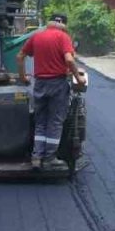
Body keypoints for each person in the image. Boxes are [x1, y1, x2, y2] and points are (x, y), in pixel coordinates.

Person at [16, 12, 86, 171]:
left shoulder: (36, 37)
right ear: (64, 24)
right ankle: (49, 158)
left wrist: (23, 77)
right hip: (57, 84)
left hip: (39, 83)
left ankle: (36, 156)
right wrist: (78, 77)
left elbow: (20, 56)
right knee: (54, 121)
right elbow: (69, 60)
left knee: (40, 120)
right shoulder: (63, 37)